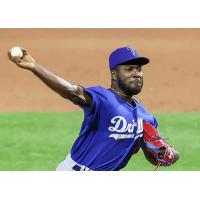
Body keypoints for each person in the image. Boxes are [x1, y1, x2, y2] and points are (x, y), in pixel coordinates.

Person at [8, 46, 179, 171]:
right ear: (114, 74)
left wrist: (169, 153)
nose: (136, 73)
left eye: (139, 69)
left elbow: (152, 154)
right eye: (129, 69)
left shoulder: (146, 118)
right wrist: (34, 66)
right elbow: (72, 92)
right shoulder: (102, 99)